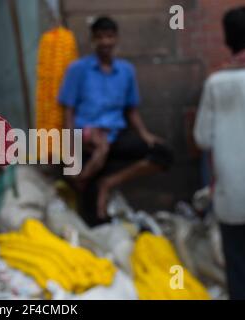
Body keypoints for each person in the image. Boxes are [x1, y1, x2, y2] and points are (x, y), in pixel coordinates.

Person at [59, 16, 173, 226]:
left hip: (116, 136)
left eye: (109, 36)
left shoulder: (126, 71)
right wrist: (70, 146)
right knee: (94, 216)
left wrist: (145, 134)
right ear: (93, 40)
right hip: (86, 140)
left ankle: (108, 183)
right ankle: (91, 189)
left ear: (116, 39)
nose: (105, 42)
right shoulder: (78, 70)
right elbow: (69, 111)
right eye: (100, 37)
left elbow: (131, 111)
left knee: (162, 152)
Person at [194, 6, 245, 300]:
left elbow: (203, 138)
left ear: (227, 41)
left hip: (234, 198)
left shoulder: (216, 84)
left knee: (241, 272)